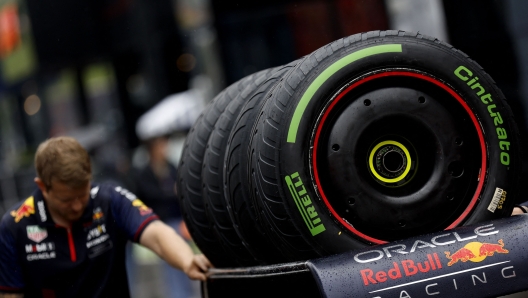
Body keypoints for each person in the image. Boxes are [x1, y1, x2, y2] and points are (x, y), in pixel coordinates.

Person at [0, 136, 212, 298]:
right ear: (42, 186)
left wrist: (187, 260)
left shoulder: (110, 200)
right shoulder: (15, 227)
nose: (76, 206)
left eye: (81, 195)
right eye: (66, 199)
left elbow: (156, 232)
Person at [131, 135, 197, 298]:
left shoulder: (171, 167)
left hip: (179, 222)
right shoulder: (146, 173)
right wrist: (169, 193)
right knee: (171, 263)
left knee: (186, 260)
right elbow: (147, 196)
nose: (164, 150)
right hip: (162, 223)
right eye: (160, 146)